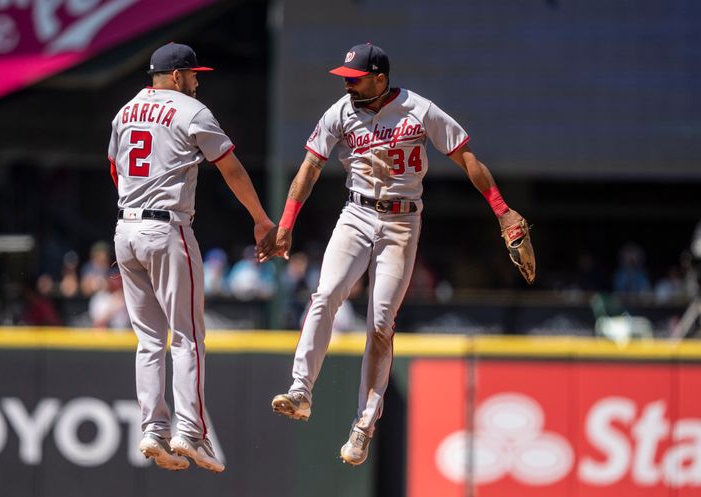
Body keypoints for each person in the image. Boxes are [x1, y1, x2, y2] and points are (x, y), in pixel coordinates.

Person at [259, 43, 530, 466]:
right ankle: (300, 390)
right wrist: (287, 223)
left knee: (381, 322)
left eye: (356, 77)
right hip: (356, 213)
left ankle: (364, 424)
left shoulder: (419, 110)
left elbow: (466, 157)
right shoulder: (340, 112)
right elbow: (310, 167)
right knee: (325, 294)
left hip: (402, 222)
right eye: (346, 77)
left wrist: (502, 210)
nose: (348, 83)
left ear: (380, 79)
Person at [108, 42, 275, 473]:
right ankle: (191, 433)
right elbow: (231, 167)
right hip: (166, 229)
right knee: (186, 337)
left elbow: (115, 168)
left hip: (125, 230)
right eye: (194, 75)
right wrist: (260, 218)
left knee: (148, 340)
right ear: (178, 76)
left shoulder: (124, 112)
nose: (197, 82)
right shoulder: (190, 110)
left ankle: (151, 429)